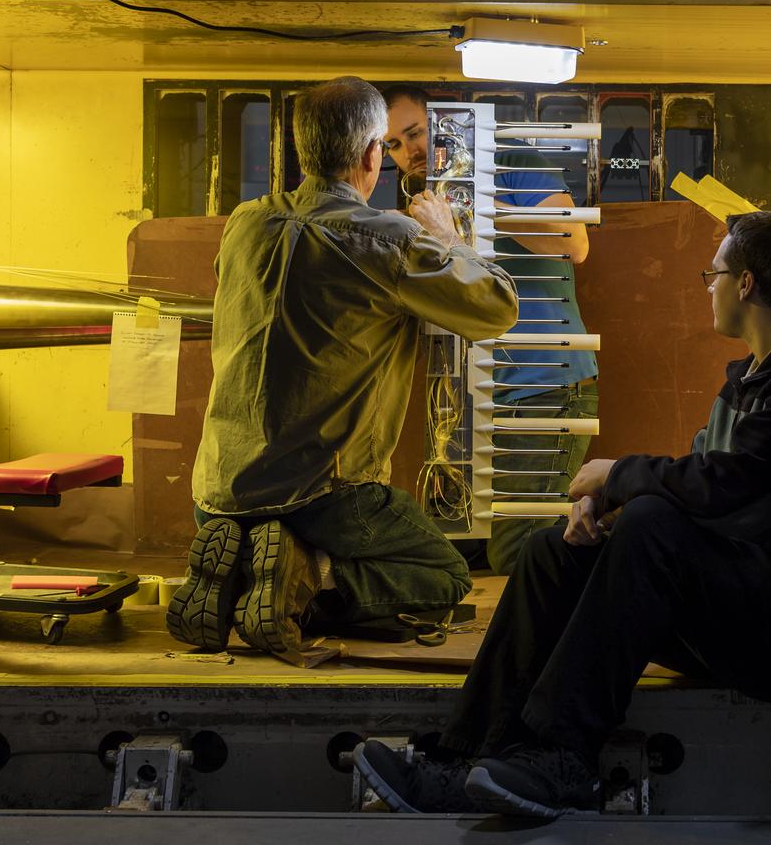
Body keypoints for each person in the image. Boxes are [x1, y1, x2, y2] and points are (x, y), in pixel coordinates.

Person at [354, 211, 771, 815]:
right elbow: (703, 488)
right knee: (554, 552)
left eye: (711, 274)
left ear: (746, 285)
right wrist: (604, 509)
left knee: (651, 527)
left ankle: (561, 756)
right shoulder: (757, 379)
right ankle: (461, 761)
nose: (706, 286)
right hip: (750, 605)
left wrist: (618, 477)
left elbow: (734, 494)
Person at [166, 77, 519, 665]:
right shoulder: (386, 240)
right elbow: (495, 308)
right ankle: (303, 577)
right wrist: (447, 236)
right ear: (371, 155)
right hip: (319, 496)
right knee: (444, 577)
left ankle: (237, 575)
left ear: (304, 150)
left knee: (271, 527)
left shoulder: (245, 224)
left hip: (218, 490)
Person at [382, 85, 598, 575]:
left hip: (543, 386)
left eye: (415, 133)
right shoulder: (423, 193)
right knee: (454, 549)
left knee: (520, 556)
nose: (408, 152)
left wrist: (469, 206)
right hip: (474, 397)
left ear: (443, 120)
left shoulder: (509, 156)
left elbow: (572, 241)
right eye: (393, 145)